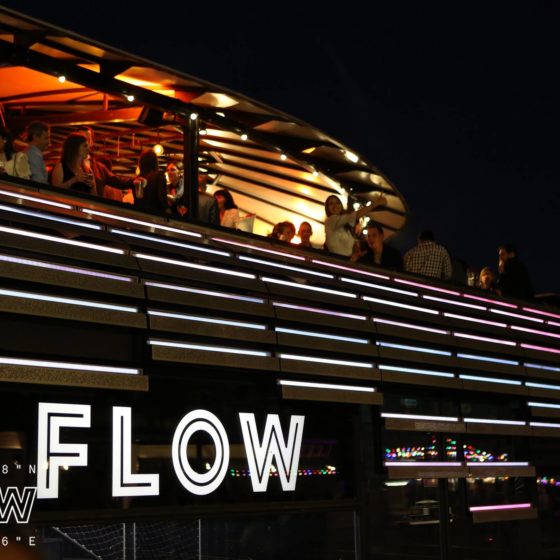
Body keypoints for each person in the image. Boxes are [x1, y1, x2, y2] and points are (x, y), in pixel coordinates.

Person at [77, 125, 137, 199]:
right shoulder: (68, 164)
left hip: (94, 205)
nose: (83, 142)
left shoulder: (99, 168)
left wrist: (133, 181)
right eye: (80, 139)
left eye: (87, 139)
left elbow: (117, 181)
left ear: (91, 142)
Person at [134, 148, 168, 214]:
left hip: (140, 214)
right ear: (155, 162)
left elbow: (137, 199)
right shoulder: (159, 176)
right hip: (155, 215)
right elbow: (162, 199)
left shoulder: (137, 179)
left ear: (141, 162)